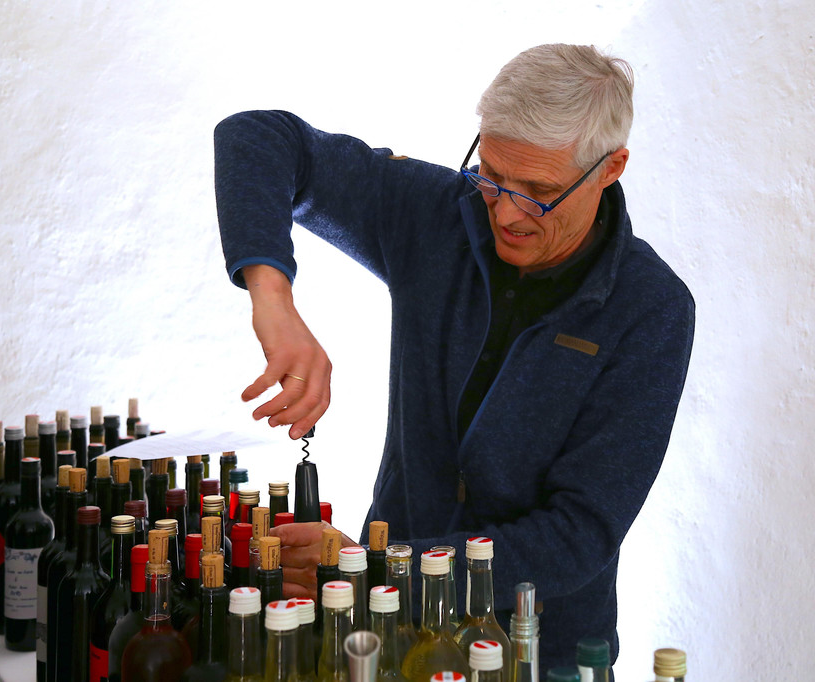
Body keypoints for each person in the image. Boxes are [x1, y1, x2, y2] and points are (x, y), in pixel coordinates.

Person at [213, 44, 694, 670]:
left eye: (540, 192)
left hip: (539, 652)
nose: (507, 212)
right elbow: (256, 136)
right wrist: (272, 299)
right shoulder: (438, 214)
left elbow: (577, 536)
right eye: (492, 176)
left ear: (611, 168)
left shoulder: (650, 308)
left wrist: (374, 571)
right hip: (386, 633)